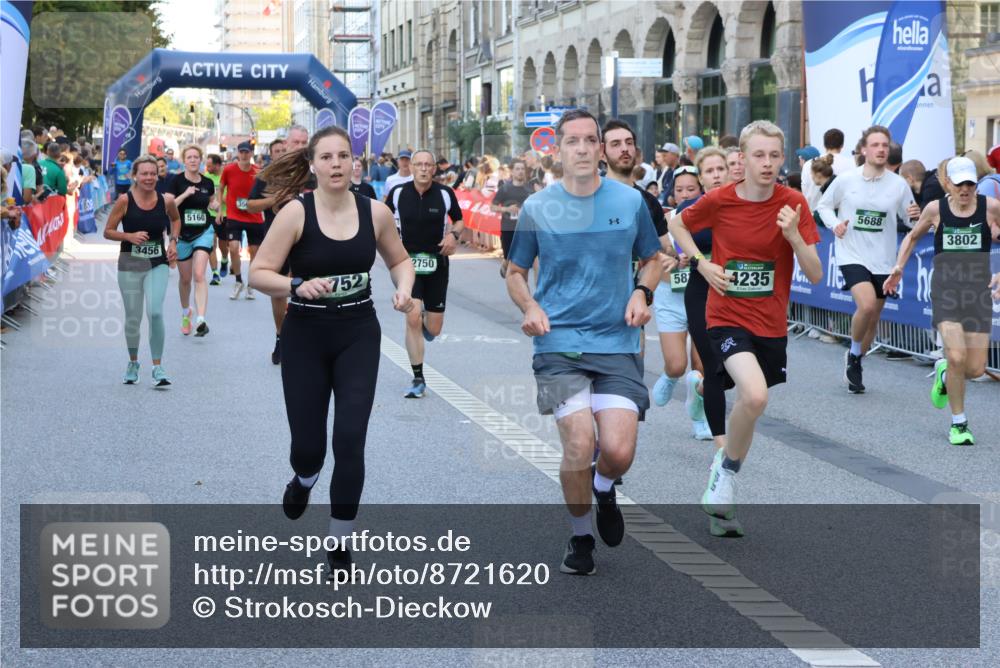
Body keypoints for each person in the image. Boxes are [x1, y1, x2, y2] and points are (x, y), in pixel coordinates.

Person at [506, 109, 668, 575]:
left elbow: (652, 259)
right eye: (571, 141)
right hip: (557, 345)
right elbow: (515, 273)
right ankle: (580, 539)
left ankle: (603, 486)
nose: (581, 148)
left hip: (617, 342)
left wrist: (642, 290)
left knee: (617, 452)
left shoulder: (629, 201)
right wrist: (530, 307)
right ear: (557, 150)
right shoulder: (538, 207)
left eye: (589, 141)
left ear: (601, 149)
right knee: (579, 442)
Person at [248, 126, 415, 574]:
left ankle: (340, 543)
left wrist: (404, 288)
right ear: (312, 165)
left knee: (350, 440)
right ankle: (304, 478)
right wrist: (296, 285)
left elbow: (399, 260)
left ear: (354, 162)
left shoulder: (375, 212)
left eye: (344, 156)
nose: (336, 164)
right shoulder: (295, 214)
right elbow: (258, 273)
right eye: (326, 157)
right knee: (309, 448)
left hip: (359, 332)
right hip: (305, 336)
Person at [669, 120, 823, 530]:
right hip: (725, 317)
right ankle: (726, 475)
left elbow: (816, 272)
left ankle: (725, 470)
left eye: (775, 155)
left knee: (750, 409)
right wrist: (703, 265)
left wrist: (793, 236)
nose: (767, 163)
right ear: (744, 157)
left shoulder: (793, 203)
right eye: (759, 155)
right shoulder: (720, 200)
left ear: (783, 158)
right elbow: (676, 224)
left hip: (770, 324)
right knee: (753, 398)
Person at [883, 156, 1000, 445]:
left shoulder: (991, 207)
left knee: (974, 368)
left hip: (977, 295)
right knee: (958, 355)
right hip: (945, 292)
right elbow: (911, 238)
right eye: (960, 184)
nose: (965, 190)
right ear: (948, 183)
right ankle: (959, 424)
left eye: (971, 184)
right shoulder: (936, 209)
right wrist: (898, 267)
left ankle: (945, 373)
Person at [816, 125, 919, 393]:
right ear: (864, 149)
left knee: (873, 318)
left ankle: (857, 359)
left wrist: (916, 215)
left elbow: (910, 220)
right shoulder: (847, 180)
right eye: (875, 145)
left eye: (885, 145)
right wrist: (835, 224)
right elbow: (823, 206)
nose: (881, 149)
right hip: (851, 253)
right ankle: (852, 353)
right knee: (867, 305)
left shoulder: (898, 185)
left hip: (883, 259)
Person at [680, 148, 738, 537]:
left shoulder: (751, 206)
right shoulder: (697, 208)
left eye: (723, 168)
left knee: (743, 379)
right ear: (702, 178)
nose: (717, 175)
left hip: (743, 302)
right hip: (703, 296)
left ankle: (697, 388)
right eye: (710, 170)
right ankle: (722, 461)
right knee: (717, 369)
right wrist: (696, 258)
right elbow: (675, 228)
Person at [386, 150, 464, 398]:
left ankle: (426, 326)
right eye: (417, 164)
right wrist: (389, 247)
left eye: (427, 165)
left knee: (434, 327)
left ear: (433, 169)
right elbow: (383, 220)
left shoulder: (445, 193)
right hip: (406, 263)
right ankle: (418, 377)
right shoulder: (398, 193)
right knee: (411, 315)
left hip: (437, 264)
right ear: (410, 167)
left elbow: (459, 221)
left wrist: (453, 235)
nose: (422, 168)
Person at [102, 155, 179, 386]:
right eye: (144, 173)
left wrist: (173, 242)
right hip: (130, 263)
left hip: (158, 262)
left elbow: (175, 220)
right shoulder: (125, 201)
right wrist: (128, 236)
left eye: (153, 174)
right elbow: (108, 231)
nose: (149, 178)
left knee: (155, 311)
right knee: (133, 317)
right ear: (135, 175)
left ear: (158, 175)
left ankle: (158, 367)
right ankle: (133, 362)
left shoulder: (166, 200)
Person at [168, 144, 215, 337]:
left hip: (204, 231)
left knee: (199, 274)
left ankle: (201, 319)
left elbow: (210, 201)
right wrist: (186, 194)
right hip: (182, 234)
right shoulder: (176, 181)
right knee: (185, 279)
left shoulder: (207, 182)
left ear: (201, 159)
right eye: (190, 157)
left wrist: (214, 204)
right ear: (183, 160)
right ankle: (186, 312)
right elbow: (168, 205)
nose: (193, 160)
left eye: (196, 157)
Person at [220, 141, 263, 300]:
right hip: (234, 215)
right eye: (241, 152)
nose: (244, 155)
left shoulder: (258, 172)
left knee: (254, 253)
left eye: (247, 152)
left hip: (254, 216)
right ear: (238, 152)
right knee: (233, 247)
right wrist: (220, 210)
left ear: (251, 153)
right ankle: (238, 281)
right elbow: (221, 187)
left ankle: (251, 284)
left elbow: (264, 192)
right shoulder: (229, 169)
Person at [492, 158, 532, 278]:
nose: (520, 171)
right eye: (517, 169)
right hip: (508, 228)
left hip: (525, 230)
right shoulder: (505, 188)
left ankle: (520, 285)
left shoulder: (530, 189)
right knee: (508, 258)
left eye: (522, 169)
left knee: (522, 264)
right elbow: (492, 207)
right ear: (512, 172)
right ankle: (505, 263)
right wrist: (507, 209)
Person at [203, 154, 226, 284]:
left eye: (210, 166)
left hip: (225, 214)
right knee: (211, 244)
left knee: (223, 245)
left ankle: (224, 258)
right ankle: (215, 273)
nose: (207, 168)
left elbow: (229, 199)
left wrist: (220, 198)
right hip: (210, 215)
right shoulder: (206, 177)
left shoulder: (226, 177)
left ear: (217, 165)